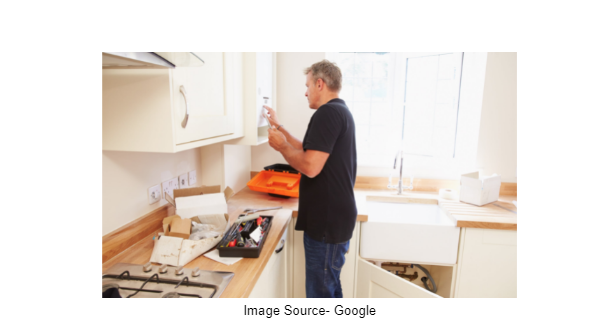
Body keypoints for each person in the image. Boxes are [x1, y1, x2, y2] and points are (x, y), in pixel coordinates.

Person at [264, 59, 357, 298]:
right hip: (334, 219)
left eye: (307, 86)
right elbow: (308, 148)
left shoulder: (328, 113)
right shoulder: (339, 111)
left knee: (320, 297)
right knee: (330, 289)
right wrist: (280, 128)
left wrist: (281, 147)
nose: (305, 93)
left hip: (327, 222)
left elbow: (310, 166)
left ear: (319, 83)